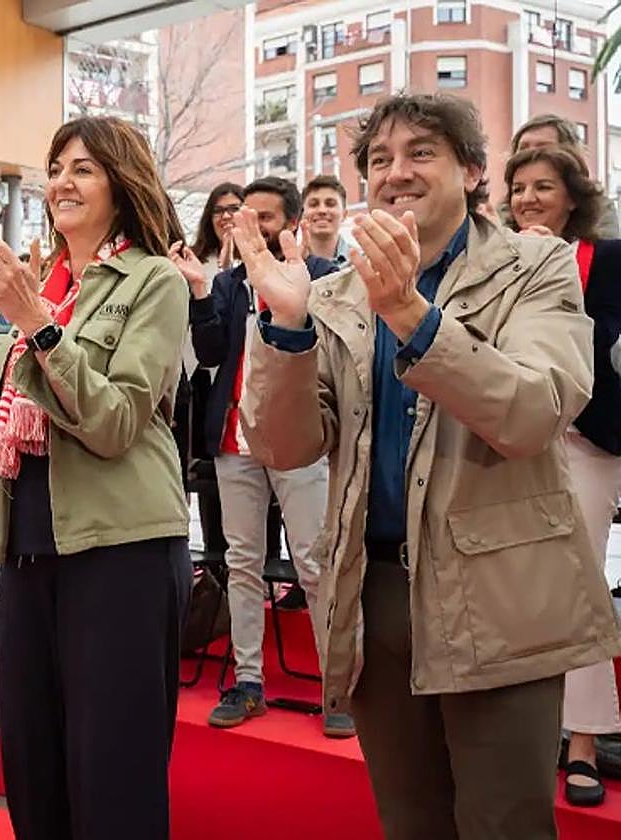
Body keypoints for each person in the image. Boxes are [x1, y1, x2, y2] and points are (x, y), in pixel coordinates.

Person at [234, 92, 621, 839]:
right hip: (375, 595)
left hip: (502, 592)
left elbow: (535, 409)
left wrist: (412, 315)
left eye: (421, 153)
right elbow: (285, 448)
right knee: (410, 821)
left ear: (472, 170)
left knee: (504, 823)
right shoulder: (335, 293)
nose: (396, 172)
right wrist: (286, 329)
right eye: (380, 159)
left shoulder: (536, 264)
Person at [0, 115, 191, 840]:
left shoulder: (154, 280)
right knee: (31, 766)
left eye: (83, 168)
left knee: (114, 778)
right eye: (56, 168)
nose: (62, 182)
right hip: (29, 553)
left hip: (122, 554)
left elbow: (116, 420)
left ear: (122, 185)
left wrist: (37, 325)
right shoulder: (39, 287)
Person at [170, 176, 350, 738]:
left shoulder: (323, 276)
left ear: (291, 224)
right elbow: (209, 352)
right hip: (233, 442)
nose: (249, 225)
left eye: (264, 217)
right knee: (242, 563)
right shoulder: (228, 282)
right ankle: (248, 681)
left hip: (300, 442)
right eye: (244, 215)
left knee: (314, 565)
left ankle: (339, 688)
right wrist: (200, 293)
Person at [505, 144, 621, 808]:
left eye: (543, 186)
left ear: (572, 196)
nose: (528, 198)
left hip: (588, 440)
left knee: (578, 585)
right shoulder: (496, 258)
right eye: (519, 187)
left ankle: (584, 741)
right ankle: (533, 728)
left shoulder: (609, 259)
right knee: (520, 587)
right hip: (514, 440)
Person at [507, 113, 620, 237]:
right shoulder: (505, 210)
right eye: (523, 149)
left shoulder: (599, 208)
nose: (531, 154)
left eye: (543, 148)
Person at [190, 182, 244, 272]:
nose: (226, 216)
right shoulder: (194, 261)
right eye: (218, 211)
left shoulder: (260, 260)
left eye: (234, 209)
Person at [301, 174, 352, 263]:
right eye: (313, 204)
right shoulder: (288, 264)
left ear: (344, 214)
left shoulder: (364, 260)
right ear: (302, 214)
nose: (322, 210)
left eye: (330, 204)